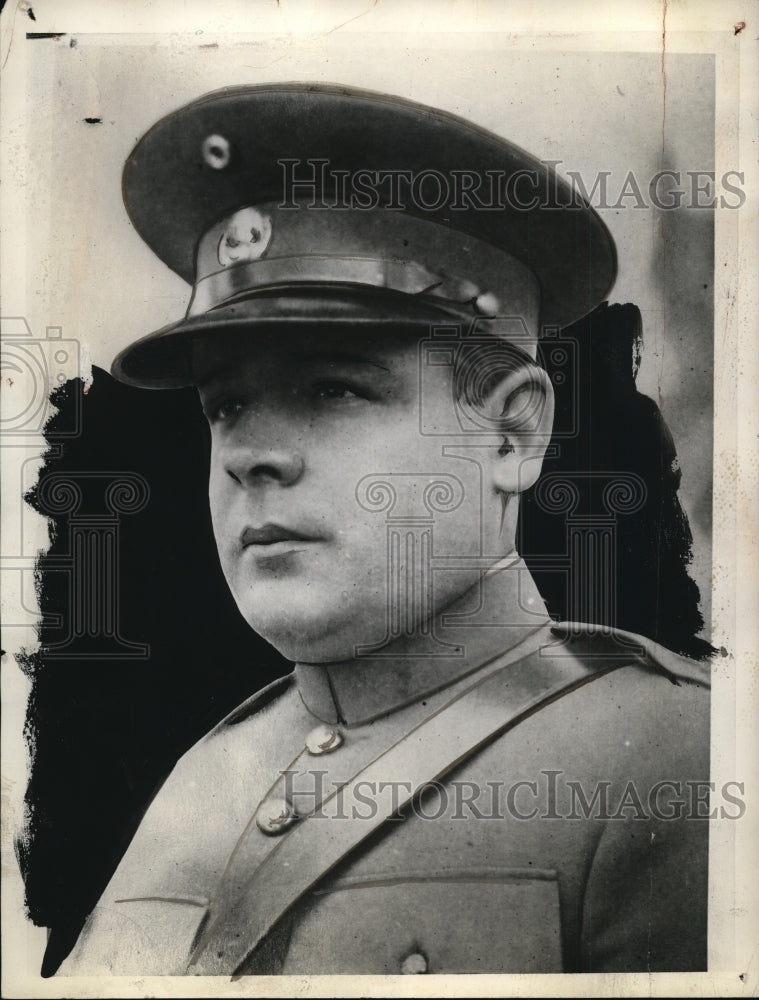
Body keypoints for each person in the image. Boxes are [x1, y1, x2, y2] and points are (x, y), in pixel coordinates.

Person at [58, 83, 710, 976]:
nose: (251, 453)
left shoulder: (676, 764)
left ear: (511, 433)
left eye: (333, 389)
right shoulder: (200, 782)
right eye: (228, 404)